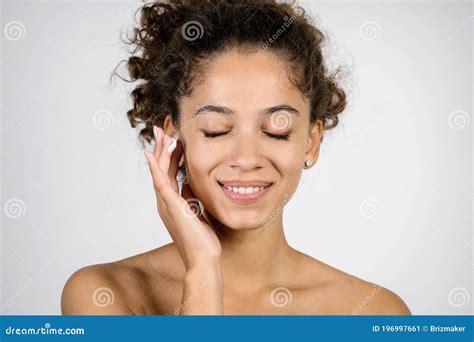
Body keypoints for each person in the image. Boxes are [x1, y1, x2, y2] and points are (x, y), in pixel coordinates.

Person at [61, 0, 411, 315]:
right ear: (174, 137)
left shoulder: (374, 312)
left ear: (311, 142)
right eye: (215, 129)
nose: (247, 158)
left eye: (277, 130)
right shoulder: (103, 294)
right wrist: (202, 268)